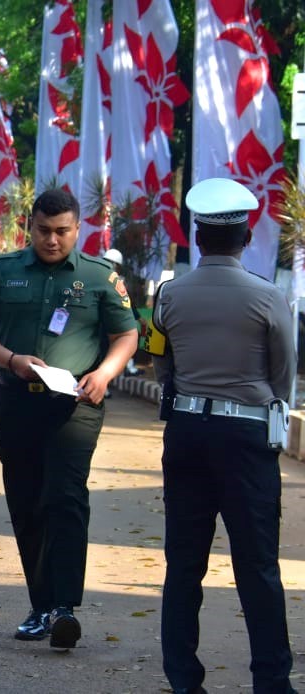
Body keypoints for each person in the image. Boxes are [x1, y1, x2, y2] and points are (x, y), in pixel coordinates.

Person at [0, 188, 139, 649]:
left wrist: (105, 373)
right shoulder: (1, 273)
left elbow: (127, 334)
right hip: (17, 400)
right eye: (44, 230)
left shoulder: (100, 278)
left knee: (65, 497)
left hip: (76, 404)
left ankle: (64, 608)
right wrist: (12, 359)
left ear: (78, 229)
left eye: (62, 231)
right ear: (30, 227)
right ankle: (40, 606)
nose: (52, 240)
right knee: (27, 501)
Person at [148, 178, 296, 694]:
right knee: (257, 565)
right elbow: (283, 375)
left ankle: (185, 681)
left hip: (186, 432)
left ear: (197, 234)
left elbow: (159, 363)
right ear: (247, 234)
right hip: (245, 440)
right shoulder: (268, 297)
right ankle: (272, 682)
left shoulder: (167, 295)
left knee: (183, 563)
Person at [102, 248, 141, 376]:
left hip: (115, 320)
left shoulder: (117, 281)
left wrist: (138, 317)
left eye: (112, 263)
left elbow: (127, 303)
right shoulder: (104, 279)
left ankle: (128, 368)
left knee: (126, 338)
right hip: (104, 322)